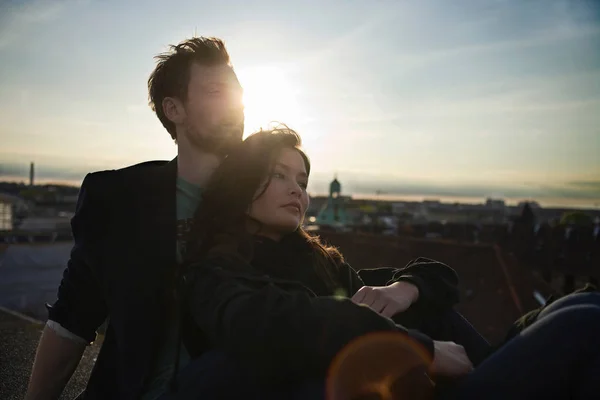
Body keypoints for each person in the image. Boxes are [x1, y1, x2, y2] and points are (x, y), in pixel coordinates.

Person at [24, 38, 459, 400]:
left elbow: (337, 286)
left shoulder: (264, 202)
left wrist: (410, 286)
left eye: (237, 93)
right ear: (174, 109)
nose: (234, 105)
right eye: (215, 92)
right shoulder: (120, 199)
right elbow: (72, 319)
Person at [178, 127, 600, 400]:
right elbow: (279, 321)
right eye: (279, 175)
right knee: (581, 326)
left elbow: (438, 278)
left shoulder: (321, 264)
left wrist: (405, 288)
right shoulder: (216, 273)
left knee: (577, 307)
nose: (297, 192)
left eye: (303, 182)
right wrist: (421, 348)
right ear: (241, 184)